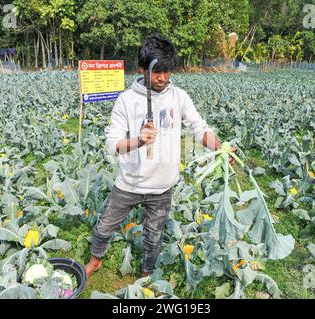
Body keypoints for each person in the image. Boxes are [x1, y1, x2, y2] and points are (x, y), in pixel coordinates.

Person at [84, 33, 236, 278]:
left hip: (163, 185)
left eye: (167, 72)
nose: (163, 78)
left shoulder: (179, 97)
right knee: (104, 226)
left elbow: (200, 129)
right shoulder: (126, 100)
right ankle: (95, 261)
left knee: (154, 237)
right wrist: (138, 141)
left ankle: (146, 274)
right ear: (143, 68)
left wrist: (219, 147)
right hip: (130, 183)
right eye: (157, 72)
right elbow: (112, 145)